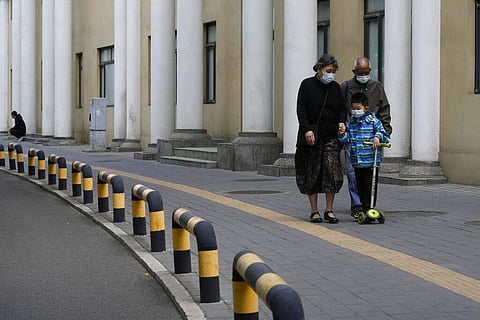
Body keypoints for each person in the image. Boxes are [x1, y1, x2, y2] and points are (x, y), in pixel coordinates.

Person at [295, 54, 347, 224]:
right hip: (312, 137)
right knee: (312, 173)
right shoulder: (307, 85)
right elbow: (301, 109)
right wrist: (307, 130)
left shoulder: (335, 88)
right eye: (328, 71)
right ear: (319, 69)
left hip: (331, 136)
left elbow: (341, 109)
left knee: (332, 172)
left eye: (333, 71)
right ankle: (314, 211)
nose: (330, 74)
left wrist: (341, 122)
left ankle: (329, 210)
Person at [340, 57, 392, 218]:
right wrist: (342, 131)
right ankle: (357, 204)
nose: (364, 75)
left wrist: (385, 132)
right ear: (354, 72)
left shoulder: (376, 87)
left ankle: (369, 204)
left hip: (372, 139)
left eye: (366, 72)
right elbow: (340, 109)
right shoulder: (346, 87)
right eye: (360, 73)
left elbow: (384, 109)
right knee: (353, 172)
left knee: (370, 174)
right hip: (353, 136)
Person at [338, 92, 390, 213]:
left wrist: (377, 137)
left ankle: (369, 206)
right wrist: (342, 134)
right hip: (357, 161)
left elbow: (384, 135)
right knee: (359, 185)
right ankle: (361, 206)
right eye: (353, 109)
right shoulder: (351, 123)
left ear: (365, 109)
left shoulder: (373, 121)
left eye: (358, 109)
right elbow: (347, 139)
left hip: (371, 161)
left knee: (369, 185)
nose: (355, 111)